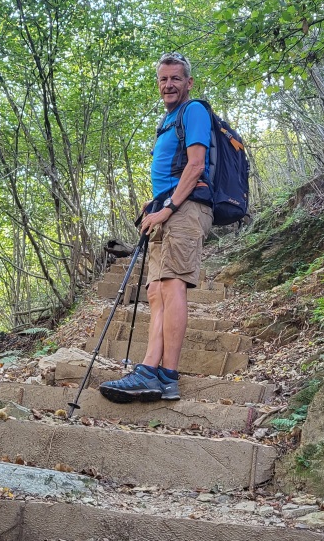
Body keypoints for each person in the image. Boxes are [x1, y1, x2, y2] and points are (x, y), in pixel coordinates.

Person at [100, 52, 214, 403]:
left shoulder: (194, 111)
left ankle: (161, 372)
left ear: (188, 82)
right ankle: (155, 374)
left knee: (172, 284)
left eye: (176, 78)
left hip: (185, 209)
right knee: (155, 290)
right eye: (164, 79)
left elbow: (195, 167)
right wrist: (156, 204)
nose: (169, 84)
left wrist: (169, 209)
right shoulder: (168, 121)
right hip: (166, 207)